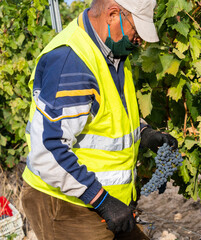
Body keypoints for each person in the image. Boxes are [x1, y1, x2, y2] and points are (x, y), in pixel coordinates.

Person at [20, 0, 178, 239]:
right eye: (136, 31)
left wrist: (144, 133)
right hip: (67, 205)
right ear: (113, 15)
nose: (140, 41)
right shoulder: (71, 62)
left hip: (101, 201)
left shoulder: (112, 52)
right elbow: (48, 151)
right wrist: (102, 201)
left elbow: (107, 116)